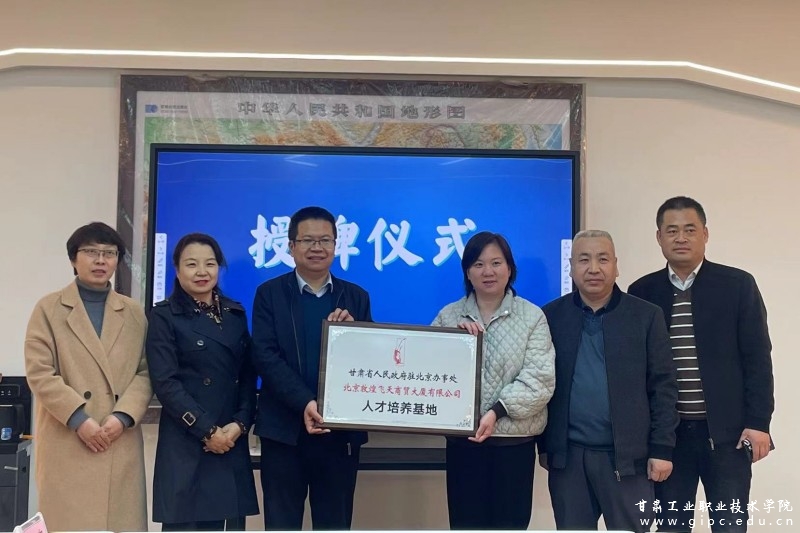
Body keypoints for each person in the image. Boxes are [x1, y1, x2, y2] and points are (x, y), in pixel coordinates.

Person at [628, 196, 774, 532]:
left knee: (730, 525)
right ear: (659, 237)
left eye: (690, 229)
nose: (681, 238)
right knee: (671, 527)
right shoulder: (642, 291)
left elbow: (757, 358)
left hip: (727, 436)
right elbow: (637, 371)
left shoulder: (737, 285)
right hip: (669, 438)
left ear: (705, 234)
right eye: (672, 230)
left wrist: (759, 422)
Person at [539, 230, 678, 533]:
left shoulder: (645, 316)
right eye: (583, 260)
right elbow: (539, 383)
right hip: (569, 460)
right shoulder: (550, 316)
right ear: (571, 268)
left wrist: (662, 449)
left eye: (603, 259)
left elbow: (664, 387)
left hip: (629, 460)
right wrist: (546, 447)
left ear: (616, 266)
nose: (593, 268)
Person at [24, 222, 152, 532]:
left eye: (109, 253)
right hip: (68, 439)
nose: (101, 260)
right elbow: (40, 372)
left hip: (117, 438)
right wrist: (80, 420)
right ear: (73, 258)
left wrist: (122, 416)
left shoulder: (133, 312)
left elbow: (146, 371)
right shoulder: (49, 308)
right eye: (91, 252)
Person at [251, 206, 372, 530]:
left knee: (334, 523)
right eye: (307, 240)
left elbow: (372, 361)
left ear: (335, 245)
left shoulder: (356, 297)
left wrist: (356, 333)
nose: (316, 248)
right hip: (283, 432)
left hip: (338, 436)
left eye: (324, 240)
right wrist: (305, 402)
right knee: (281, 524)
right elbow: (264, 356)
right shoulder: (269, 294)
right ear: (291, 246)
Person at [431, 231, 556, 530]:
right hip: (464, 444)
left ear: (510, 268)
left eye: (496, 263)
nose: (488, 271)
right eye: (478, 264)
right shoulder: (449, 316)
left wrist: (496, 411)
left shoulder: (533, 317)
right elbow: (428, 372)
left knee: (510, 525)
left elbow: (540, 379)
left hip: (514, 445)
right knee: (465, 524)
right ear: (467, 272)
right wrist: (453, 343)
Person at [146, 233, 259, 530]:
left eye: (210, 263)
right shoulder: (165, 316)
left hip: (229, 439)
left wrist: (240, 424)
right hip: (188, 440)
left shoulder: (234, 313)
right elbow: (165, 382)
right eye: (191, 264)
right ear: (177, 269)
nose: (202, 271)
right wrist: (207, 431)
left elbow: (247, 375)